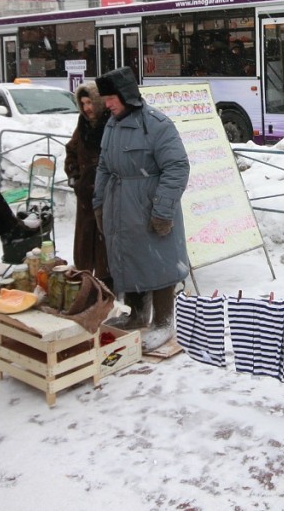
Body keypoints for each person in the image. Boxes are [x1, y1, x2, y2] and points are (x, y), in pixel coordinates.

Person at [93, 67, 190, 352]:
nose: (107, 104)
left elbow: (177, 167)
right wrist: (99, 203)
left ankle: (163, 321)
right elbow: (103, 167)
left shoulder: (157, 124)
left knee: (159, 263)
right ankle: (136, 315)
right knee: (129, 259)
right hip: (119, 207)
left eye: (112, 98)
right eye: (105, 98)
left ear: (127, 95)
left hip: (148, 205)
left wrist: (162, 210)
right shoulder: (111, 124)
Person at [64, 81, 111, 287]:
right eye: (83, 103)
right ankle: (85, 282)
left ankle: (106, 286)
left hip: (108, 196)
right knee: (84, 244)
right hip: (85, 196)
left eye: (90, 102)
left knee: (105, 246)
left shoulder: (111, 123)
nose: (87, 108)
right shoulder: (82, 124)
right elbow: (71, 151)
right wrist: (75, 176)